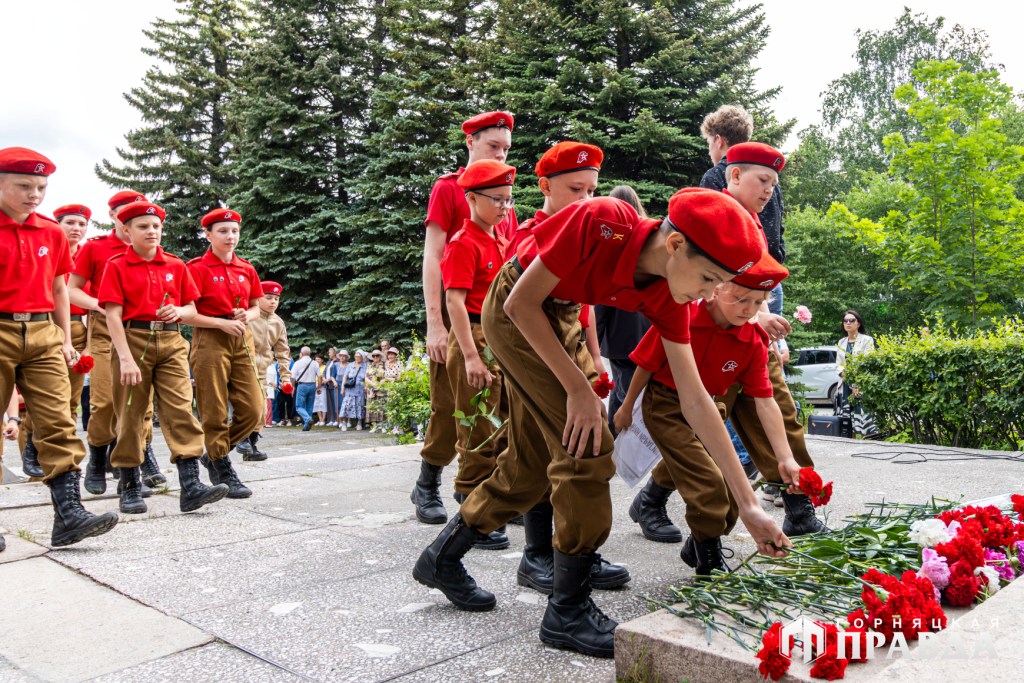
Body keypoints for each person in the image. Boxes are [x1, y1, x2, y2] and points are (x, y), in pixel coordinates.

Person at [414, 188, 789, 659]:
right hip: (517, 307)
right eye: (709, 277)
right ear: (675, 246)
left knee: (529, 467)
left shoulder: (671, 297)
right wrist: (577, 389)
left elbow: (696, 401)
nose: (710, 294)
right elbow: (519, 305)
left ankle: (441, 558)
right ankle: (566, 611)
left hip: (560, 315)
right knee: (587, 447)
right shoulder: (604, 220)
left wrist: (749, 505)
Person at [617, 257, 825, 575]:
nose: (747, 309)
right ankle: (708, 562)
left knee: (730, 489)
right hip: (666, 407)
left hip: (708, 408)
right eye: (741, 298)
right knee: (709, 484)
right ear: (716, 289)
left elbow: (766, 402)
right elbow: (646, 361)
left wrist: (786, 458)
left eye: (757, 302)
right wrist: (625, 407)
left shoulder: (752, 340)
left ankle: (702, 544)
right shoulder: (683, 315)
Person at [499, 142, 630, 594]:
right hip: (533, 353)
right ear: (545, 187)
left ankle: (575, 553)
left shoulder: (584, 229)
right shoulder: (529, 237)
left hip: (572, 349)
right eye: (576, 189)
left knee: (574, 446)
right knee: (542, 448)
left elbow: (583, 307)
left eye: (593, 190)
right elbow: (520, 311)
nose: (586, 200)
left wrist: (593, 358)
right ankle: (538, 556)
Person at [413, 111, 519, 526]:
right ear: (471, 142)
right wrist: (434, 324)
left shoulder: (503, 197)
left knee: (499, 409)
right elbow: (433, 256)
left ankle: (493, 490)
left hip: (496, 323)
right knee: (449, 407)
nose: (501, 153)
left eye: (506, 148)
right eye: (493, 145)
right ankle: (428, 481)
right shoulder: (449, 189)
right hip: (457, 315)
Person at [99, 201, 230, 514]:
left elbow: (192, 309)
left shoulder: (175, 265)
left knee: (181, 409)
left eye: (156, 226)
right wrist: (126, 359)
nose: (152, 231)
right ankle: (129, 484)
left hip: (171, 339)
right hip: (133, 338)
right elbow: (112, 316)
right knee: (131, 414)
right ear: (127, 231)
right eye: (143, 227)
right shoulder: (116, 265)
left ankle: (191, 485)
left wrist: (180, 310)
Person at [439, 159, 520, 551]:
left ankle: (498, 500)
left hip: (499, 335)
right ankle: (470, 501)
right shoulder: (463, 242)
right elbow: (454, 302)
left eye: (508, 199)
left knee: (503, 418)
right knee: (476, 424)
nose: (505, 207)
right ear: (471, 198)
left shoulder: (501, 239)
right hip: (473, 335)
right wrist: (471, 357)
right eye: (497, 200)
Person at [69, 190, 163, 493]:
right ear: (113, 216)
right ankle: (97, 457)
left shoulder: (153, 246)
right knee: (104, 402)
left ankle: (140, 459)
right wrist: (101, 304)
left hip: (142, 333)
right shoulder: (96, 249)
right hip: (103, 330)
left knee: (141, 403)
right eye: (125, 212)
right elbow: (72, 290)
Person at [186, 208, 265, 500]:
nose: (230, 237)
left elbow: (257, 306)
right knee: (214, 409)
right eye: (222, 231)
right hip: (210, 338)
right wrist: (221, 322)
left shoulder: (246, 268)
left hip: (242, 338)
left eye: (234, 231)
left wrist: (247, 315)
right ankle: (221, 465)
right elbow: (186, 314)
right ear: (208, 235)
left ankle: (215, 453)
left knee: (254, 409)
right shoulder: (196, 268)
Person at [19, 203, 92, 479]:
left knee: (69, 399)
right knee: (43, 398)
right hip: (44, 326)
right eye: (70, 223)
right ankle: (32, 453)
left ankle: (61, 467)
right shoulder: (44, 248)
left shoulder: (89, 256)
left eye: (81, 224)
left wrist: (84, 343)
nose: (76, 229)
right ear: (57, 225)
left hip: (79, 329)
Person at [700, 105, 786, 313]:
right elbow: (778, 233)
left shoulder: (714, 175)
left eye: (710, 143)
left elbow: (709, 239)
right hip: (769, 278)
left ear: (718, 140)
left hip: (735, 285)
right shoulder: (771, 180)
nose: (767, 190)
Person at [595, 185, 652, 436]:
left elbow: (601, 302)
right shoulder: (647, 240)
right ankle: (612, 439)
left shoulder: (612, 244)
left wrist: (594, 345)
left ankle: (614, 440)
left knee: (625, 391)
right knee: (624, 391)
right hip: (645, 331)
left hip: (620, 336)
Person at [243, 281, 292, 453]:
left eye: (276, 299)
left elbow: (283, 352)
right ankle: (241, 439)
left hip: (262, 371)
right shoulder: (249, 317)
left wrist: (285, 378)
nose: (273, 302)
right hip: (243, 368)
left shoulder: (278, 323)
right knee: (253, 407)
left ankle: (251, 445)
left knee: (262, 411)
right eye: (268, 297)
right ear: (258, 298)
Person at [836, 310, 877, 437]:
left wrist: (856, 384)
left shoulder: (866, 340)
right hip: (845, 384)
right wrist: (849, 381)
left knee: (863, 415)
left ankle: (865, 442)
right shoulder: (841, 342)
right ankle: (850, 442)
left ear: (858, 323)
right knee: (846, 418)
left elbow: (866, 363)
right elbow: (839, 365)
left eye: (852, 320)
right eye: (845, 320)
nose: (848, 323)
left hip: (862, 383)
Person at [290, 346, 318, 431]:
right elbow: (320, 376)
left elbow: (293, 377)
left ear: (301, 354)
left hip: (302, 386)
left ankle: (307, 419)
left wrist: (293, 387)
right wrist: (319, 387)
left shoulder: (297, 363)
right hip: (313, 385)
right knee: (309, 406)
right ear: (309, 353)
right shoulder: (315, 363)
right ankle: (306, 426)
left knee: (299, 406)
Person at [339, 350, 368, 430]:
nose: (357, 358)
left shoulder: (365, 366)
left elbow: (367, 377)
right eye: (356, 356)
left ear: (362, 358)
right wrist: (342, 388)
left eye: (359, 357)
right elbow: (345, 376)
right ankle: (344, 423)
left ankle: (359, 423)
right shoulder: (350, 365)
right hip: (349, 389)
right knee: (346, 405)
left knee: (359, 406)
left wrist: (366, 386)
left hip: (360, 390)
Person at [365, 349, 386, 431]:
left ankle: (383, 425)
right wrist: (371, 384)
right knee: (372, 408)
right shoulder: (370, 365)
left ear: (380, 356)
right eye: (374, 356)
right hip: (371, 389)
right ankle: (374, 426)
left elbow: (386, 376)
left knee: (381, 407)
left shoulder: (384, 365)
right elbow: (366, 377)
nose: (375, 357)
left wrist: (379, 384)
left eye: (377, 355)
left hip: (381, 389)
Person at [324, 348, 339, 426]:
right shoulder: (328, 362)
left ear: (335, 353)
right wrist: (324, 378)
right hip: (327, 384)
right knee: (329, 402)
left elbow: (335, 374)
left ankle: (337, 419)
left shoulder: (338, 362)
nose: (328, 353)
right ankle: (331, 419)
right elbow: (325, 372)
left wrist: (328, 379)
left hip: (334, 384)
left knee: (335, 402)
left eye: (330, 352)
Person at [313, 353, 327, 424]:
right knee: (317, 403)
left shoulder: (324, 367)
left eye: (318, 359)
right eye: (316, 359)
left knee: (323, 402)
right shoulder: (314, 367)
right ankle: (320, 419)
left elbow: (324, 377)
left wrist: (320, 386)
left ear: (322, 360)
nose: (317, 361)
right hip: (314, 386)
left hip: (322, 387)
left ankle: (323, 420)